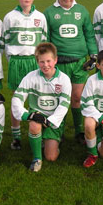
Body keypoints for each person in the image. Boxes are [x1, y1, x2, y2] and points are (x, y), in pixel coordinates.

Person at [44, 0, 98, 143]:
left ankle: (79, 130)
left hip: (79, 63)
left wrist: (93, 55)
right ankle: (56, 129)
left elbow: (89, 34)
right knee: (58, 98)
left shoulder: (81, 11)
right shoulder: (49, 12)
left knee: (76, 97)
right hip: (59, 64)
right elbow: (46, 39)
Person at [11, 42, 71, 172]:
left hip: (54, 119)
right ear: (37, 61)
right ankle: (37, 159)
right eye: (42, 62)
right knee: (34, 124)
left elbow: (64, 106)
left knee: (51, 157)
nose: (46, 65)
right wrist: (28, 115)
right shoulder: (31, 77)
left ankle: (53, 140)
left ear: (55, 60)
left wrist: (50, 121)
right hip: (38, 115)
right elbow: (16, 99)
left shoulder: (64, 79)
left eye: (49, 61)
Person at [2, 0, 48, 151]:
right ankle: (16, 137)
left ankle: (39, 134)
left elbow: (43, 42)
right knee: (17, 100)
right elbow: (5, 43)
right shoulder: (9, 17)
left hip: (34, 63)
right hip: (17, 62)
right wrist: (13, 61)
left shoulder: (40, 17)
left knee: (37, 100)